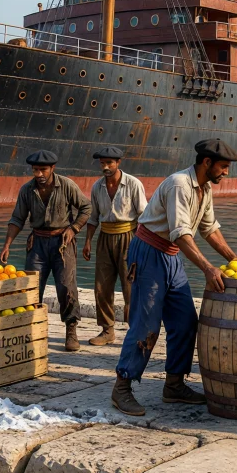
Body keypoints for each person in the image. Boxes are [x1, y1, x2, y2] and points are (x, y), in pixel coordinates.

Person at [110, 139, 237, 417]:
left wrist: (236, 260)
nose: (226, 173)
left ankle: (174, 385)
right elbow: (181, 233)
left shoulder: (204, 188)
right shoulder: (180, 184)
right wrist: (207, 268)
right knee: (146, 324)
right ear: (207, 163)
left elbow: (209, 228)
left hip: (170, 256)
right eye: (223, 167)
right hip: (148, 253)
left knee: (184, 322)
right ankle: (122, 386)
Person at [1, 150, 91, 351]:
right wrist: (7, 244)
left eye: (43, 170)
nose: (39, 174)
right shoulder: (27, 190)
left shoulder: (67, 185)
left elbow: (86, 208)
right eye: (35, 170)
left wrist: (73, 228)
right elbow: (17, 218)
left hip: (63, 243)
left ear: (52, 169)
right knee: (31, 288)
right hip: (38, 244)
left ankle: (71, 329)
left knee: (66, 287)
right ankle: (30, 331)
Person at [83, 146, 147, 346]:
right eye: (102, 163)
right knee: (102, 286)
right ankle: (107, 330)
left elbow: (143, 217)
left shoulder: (134, 184)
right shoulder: (97, 187)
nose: (106, 167)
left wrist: (140, 245)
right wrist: (87, 242)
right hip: (104, 237)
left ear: (119, 163)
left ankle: (136, 331)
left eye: (109, 163)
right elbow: (93, 218)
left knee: (131, 287)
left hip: (129, 237)